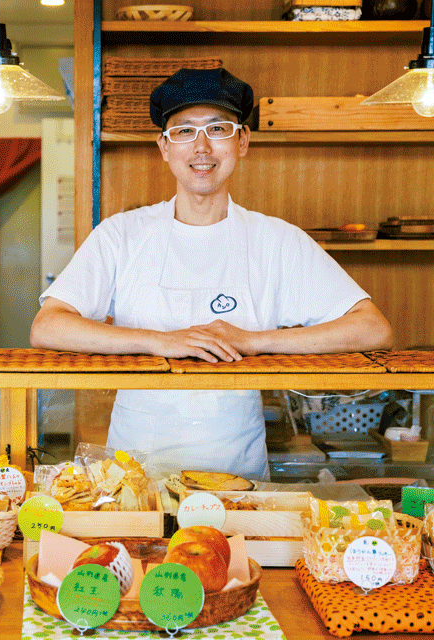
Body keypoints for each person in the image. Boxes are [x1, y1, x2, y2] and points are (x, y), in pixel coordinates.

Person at [30, 68, 393, 480]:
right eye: (184, 131)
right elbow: (48, 328)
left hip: (237, 470)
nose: (201, 147)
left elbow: (372, 329)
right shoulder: (121, 235)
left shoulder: (277, 241)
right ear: (164, 147)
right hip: (134, 474)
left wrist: (253, 342)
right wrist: (161, 342)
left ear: (242, 141)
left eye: (218, 128)